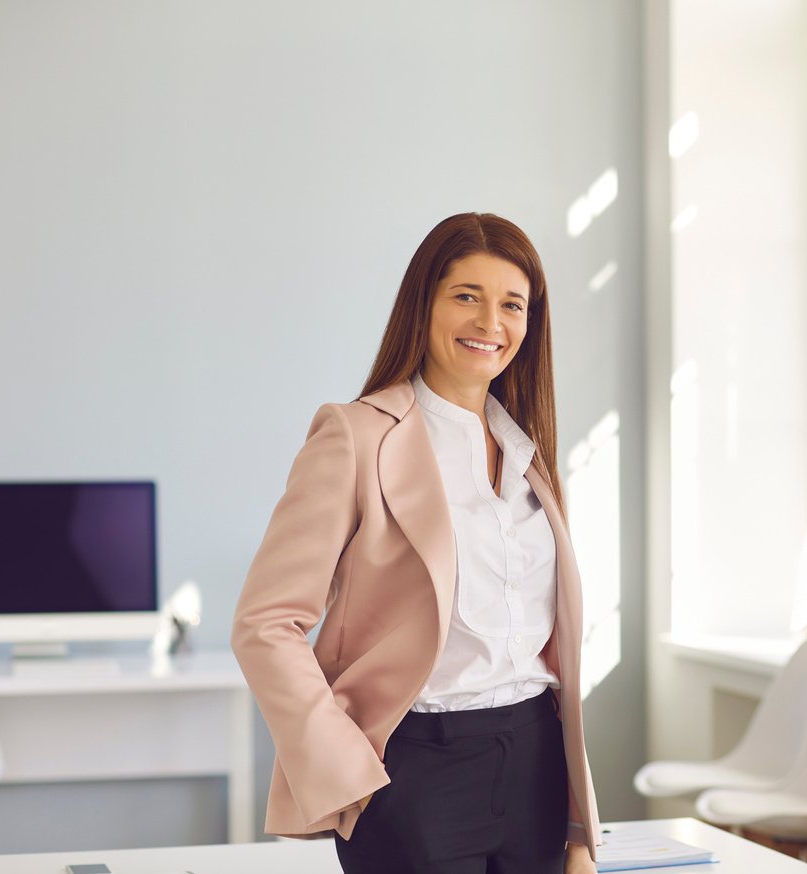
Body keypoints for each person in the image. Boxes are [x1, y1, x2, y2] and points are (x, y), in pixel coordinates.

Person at [230, 212, 601, 874]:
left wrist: (578, 831)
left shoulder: (529, 456)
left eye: (510, 304)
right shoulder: (354, 437)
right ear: (423, 304)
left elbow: (547, 649)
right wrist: (346, 766)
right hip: (414, 773)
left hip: (536, 769)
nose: (490, 322)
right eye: (466, 296)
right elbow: (265, 623)